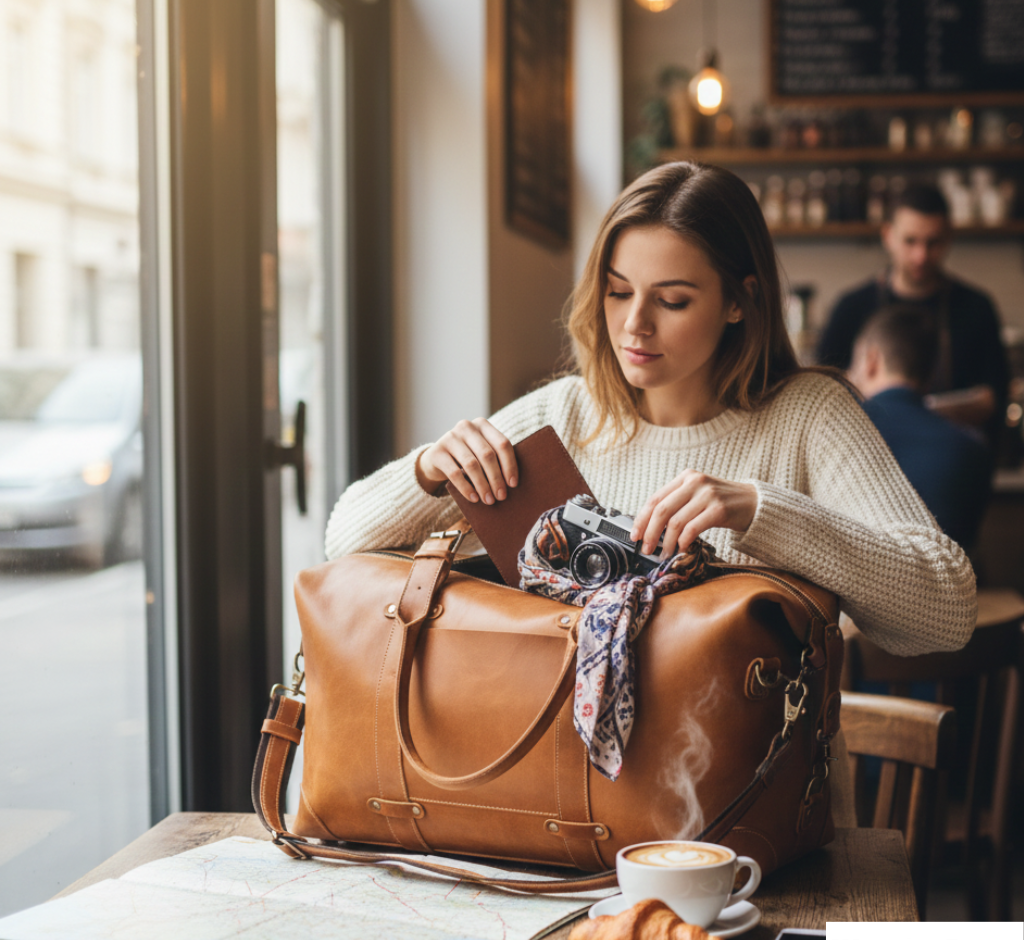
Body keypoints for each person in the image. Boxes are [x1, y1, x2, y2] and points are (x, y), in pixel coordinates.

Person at [326, 162, 976, 658]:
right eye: (617, 292)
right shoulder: (568, 414)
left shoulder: (807, 416)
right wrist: (426, 472)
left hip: (746, 817)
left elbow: (946, 612)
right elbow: (342, 543)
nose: (633, 325)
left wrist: (761, 512)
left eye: (672, 300)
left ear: (739, 301)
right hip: (562, 806)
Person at [815, 183, 1009, 450]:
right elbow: (824, 390)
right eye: (910, 241)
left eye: (933, 243)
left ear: (949, 238)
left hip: (948, 459)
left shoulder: (976, 307)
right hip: (867, 460)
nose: (921, 256)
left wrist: (917, 413)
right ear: (888, 236)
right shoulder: (851, 307)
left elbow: (992, 398)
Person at [847, 304, 991, 550]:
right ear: (932, 371)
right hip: (954, 586)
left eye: (854, 362)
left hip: (850, 586)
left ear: (871, 360)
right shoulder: (972, 449)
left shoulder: (841, 433)